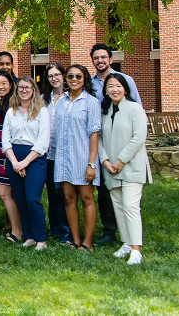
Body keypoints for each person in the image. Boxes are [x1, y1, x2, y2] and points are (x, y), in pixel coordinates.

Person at [89, 43, 140, 246]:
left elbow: (136, 109)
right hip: (102, 144)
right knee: (104, 191)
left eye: (103, 57)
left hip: (124, 142)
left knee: (128, 195)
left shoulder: (126, 80)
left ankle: (131, 234)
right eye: (96, 58)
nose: (100, 61)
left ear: (110, 59)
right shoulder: (90, 83)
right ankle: (110, 230)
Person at [99, 73, 151, 265]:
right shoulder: (105, 110)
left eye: (118, 86)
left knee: (130, 206)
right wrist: (105, 161)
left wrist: (121, 161)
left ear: (125, 89)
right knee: (119, 206)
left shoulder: (134, 109)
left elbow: (139, 138)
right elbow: (100, 138)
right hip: (110, 168)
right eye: (111, 86)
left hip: (131, 167)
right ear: (106, 90)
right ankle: (126, 243)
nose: (115, 89)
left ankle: (136, 250)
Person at [52, 64, 101, 251]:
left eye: (78, 76)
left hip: (83, 157)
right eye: (70, 76)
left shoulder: (91, 102)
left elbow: (94, 134)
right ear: (65, 78)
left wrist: (91, 164)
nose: (74, 79)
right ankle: (75, 240)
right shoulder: (62, 102)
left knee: (87, 198)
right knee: (68, 198)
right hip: (63, 158)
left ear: (84, 79)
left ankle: (88, 242)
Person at [2, 77, 51, 250]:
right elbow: (5, 140)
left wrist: (25, 163)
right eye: (20, 88)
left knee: (32, 199)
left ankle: (41, 239)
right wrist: (15, 162)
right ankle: (29, 236)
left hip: (34, 158)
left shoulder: (42, 112)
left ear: (33, 90)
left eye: (27, 87)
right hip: (14, 157)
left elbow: (43, 141)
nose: (23, 90)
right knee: (21, 200)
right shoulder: (11, 112)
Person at [0, 70, 23, 242]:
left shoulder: (13, 105)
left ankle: (17, 231)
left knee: (5, 193)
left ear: (11, 85)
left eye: (4, 83)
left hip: (8, 155)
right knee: (10, 193)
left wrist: (9, 158)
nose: (0, 87)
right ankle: (13, 225)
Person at [42, 63, 71, 245]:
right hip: (47, 153)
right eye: (51, 76)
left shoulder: (70, 98)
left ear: (63, 76)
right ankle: (54, 228)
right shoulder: (43, 99)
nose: (54, 78)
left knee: (64, 193)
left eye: (57, 75)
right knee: (52, 193)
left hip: (65, 153)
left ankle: (66, 230)